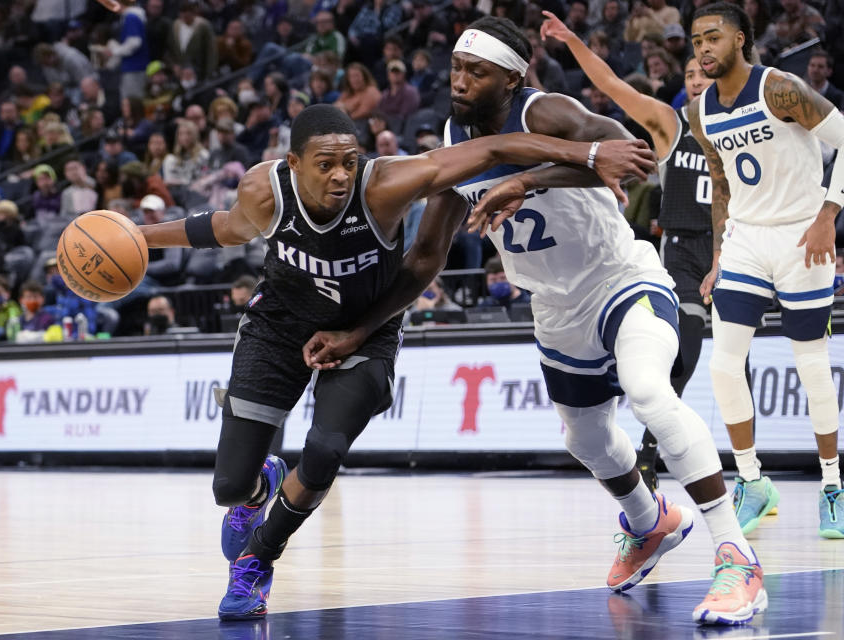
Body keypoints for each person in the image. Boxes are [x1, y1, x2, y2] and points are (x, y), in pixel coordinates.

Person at [303, 16, 764, 625]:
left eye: (478, 72)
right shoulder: (454, 140)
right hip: (554, 307)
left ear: (512, 78)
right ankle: (651, 523)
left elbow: (634, 155)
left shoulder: (547, 112)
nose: (461, 82)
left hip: (621, 278)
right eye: (457, 69)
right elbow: (424, 258)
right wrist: (358, 330)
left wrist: (526, 177)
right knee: (585, 440)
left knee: (651, 392)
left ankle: (737, 557)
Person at [136, 102, 650, 621]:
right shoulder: (262, 190)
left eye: (349, 161)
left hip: (367, 329)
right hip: (279, 325)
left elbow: (492, 148)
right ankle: (260, 487)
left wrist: (588, 152)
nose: (341, 174)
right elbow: (227, 227)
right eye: (325, 164)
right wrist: (142, 236)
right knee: (228, 486)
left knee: (324, 449)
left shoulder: (385, 185)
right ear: (293, 164)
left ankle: (258, 560)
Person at [537, 9, 748, 492]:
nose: (696, 80)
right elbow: (612, 86)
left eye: (702, 73)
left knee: (739, 368)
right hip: (682, 252)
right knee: (681, 362)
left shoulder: (743, 128)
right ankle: (649, 462)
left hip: (733, 251)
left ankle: (751, 477)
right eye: (689, 74)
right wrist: (572, 41)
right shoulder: (672, 126)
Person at [688, 3, 844, 539]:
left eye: (713, 38)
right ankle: (752, 480)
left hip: (802, 233)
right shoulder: (698, 110)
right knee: (724, 367)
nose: (703, 48)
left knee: (811, 365)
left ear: (740, 39)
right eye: (695, 41)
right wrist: (717, 259)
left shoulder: (780, 88)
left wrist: (828, 213)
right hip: (747, 241)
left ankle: (832, 485)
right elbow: (722, 186)